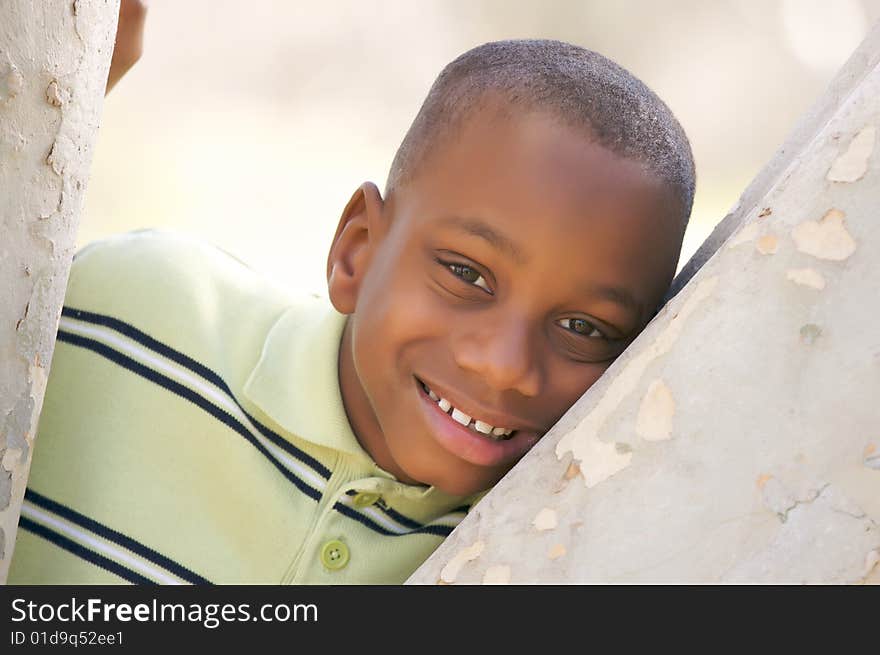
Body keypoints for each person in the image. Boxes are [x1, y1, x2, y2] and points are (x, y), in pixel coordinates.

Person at [8, 5, 694, 584]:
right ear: (357, 250)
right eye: (466, 273)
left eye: (583, 325)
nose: (503, 363)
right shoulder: (128, 308)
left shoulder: (544, 548)